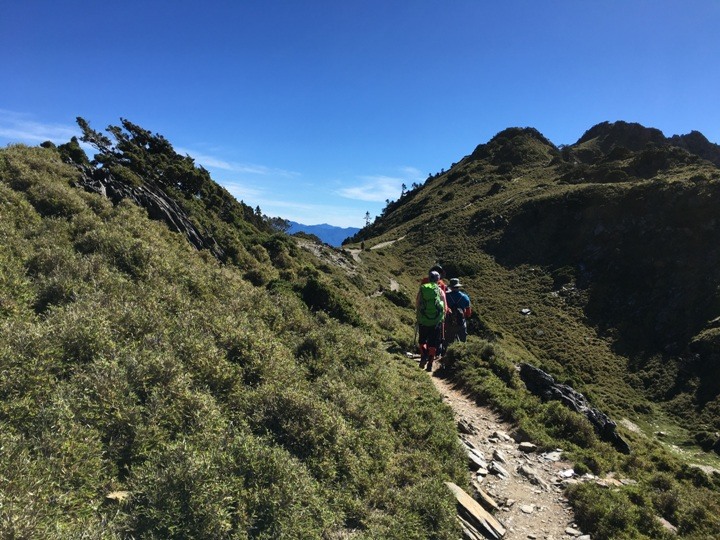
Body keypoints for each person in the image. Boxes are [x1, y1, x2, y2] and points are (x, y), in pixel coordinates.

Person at [416, 270, 445, 371]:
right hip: (436, 322)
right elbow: (444, 308)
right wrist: (441, 318)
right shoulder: (440, 291)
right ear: (438, 280)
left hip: (423, 320)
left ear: (429, 278)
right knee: (433, 344)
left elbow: (418, 303)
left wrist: (419, 316)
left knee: (422, 341)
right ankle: (430, 364)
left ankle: (423, 356)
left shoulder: (423, 289)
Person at [445, 277, 472, 343]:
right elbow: (468, 314)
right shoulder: (465, 297)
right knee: (463, 343)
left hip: (449, 323)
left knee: (448, 342)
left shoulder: (446, 296)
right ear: (458, 286)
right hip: (461, 323)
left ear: (451, 287)